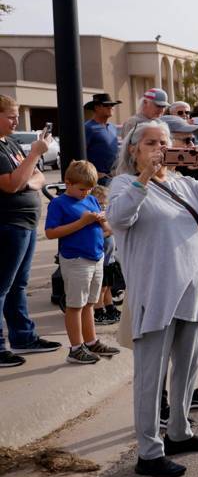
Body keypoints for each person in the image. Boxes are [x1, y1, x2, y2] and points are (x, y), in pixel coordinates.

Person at [107, 119, 198, 477]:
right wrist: (145, 179)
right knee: (151, 375)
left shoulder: (185, 182)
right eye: (150, 142)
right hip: (156, 292)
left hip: (192, 290)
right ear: (133, 149)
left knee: (188, 364)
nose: (159, 148)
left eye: (164, 142)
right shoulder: (124, 184)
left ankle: (179, 432)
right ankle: (149, 452)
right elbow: (119, 217)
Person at [0, 95, 63, 367]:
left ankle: (24, 337)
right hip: (7, 224)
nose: (16, 121)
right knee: (2, 286)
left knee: (18, 285)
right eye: (11, 116)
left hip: (23, 224)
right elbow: (12, 184)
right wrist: (35, 153)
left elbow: (36, 176)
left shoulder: (10, 143)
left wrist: (28, 176)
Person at [43, 160, 121, 364]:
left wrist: (103, 220)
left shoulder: (92, 200)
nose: (86, 193)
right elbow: (51, 233)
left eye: (89, 189)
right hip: (76, 259)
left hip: (96, 256)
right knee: (75, 305)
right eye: (81, 189)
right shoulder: (59, 203)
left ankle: (91, 340)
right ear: (67, 183)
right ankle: (76, 347)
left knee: (89, 303)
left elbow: (106, 230)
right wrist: (82, 222)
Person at [88, 184, 121, 326]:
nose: (103, 207)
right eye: (100, 204)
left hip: (109, 260)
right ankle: (98, 311)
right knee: (100, 289)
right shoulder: (96, 219)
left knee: (108, 287)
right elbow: (100, 235)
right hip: (101, 261)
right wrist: (110, 230)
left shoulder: (105, 217)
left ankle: (110, 307)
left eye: (104, 204)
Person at [83, 92, 122, 186]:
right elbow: (80, 154)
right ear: (96, 108)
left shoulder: (113, 127)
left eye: (112, 105)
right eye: (106, 105)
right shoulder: (88, 127)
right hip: (97, 180)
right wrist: (94, 173)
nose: (111, 107)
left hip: (114, 177)